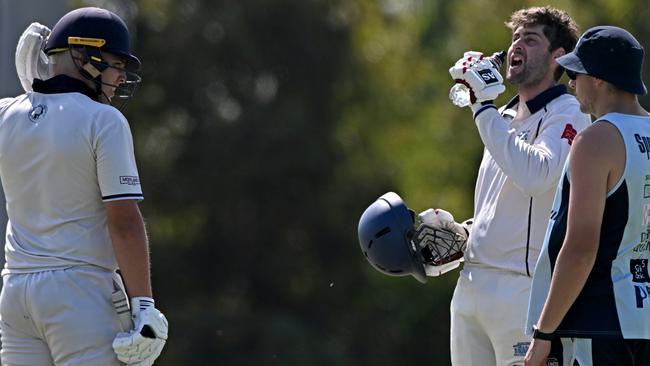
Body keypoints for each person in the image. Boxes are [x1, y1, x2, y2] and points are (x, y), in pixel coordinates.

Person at [0, 7, 168, 366]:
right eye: (116, 64)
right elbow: (123, 222)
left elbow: (40, 116)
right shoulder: (105, 121)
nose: (120, 77)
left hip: (15, 294)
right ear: (85, 55)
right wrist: (145, 307)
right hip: (79, 294)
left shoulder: (4, 114)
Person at [446, 6, 591, 365]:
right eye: (514, 39)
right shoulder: (504, 115)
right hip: (471, 285)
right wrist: (463, 233)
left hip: (521, 291)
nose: (516, 47)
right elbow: (501, 205)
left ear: (558, 56)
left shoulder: (569, 113)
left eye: (530, 39)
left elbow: (536, 177)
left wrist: (482, 107)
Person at [525, 26, 650, 366]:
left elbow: (581, 248)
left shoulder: (597, 139)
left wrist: (543, 332)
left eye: (575, 74)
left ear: (598, 79)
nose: (570, 83)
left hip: (599, 323)